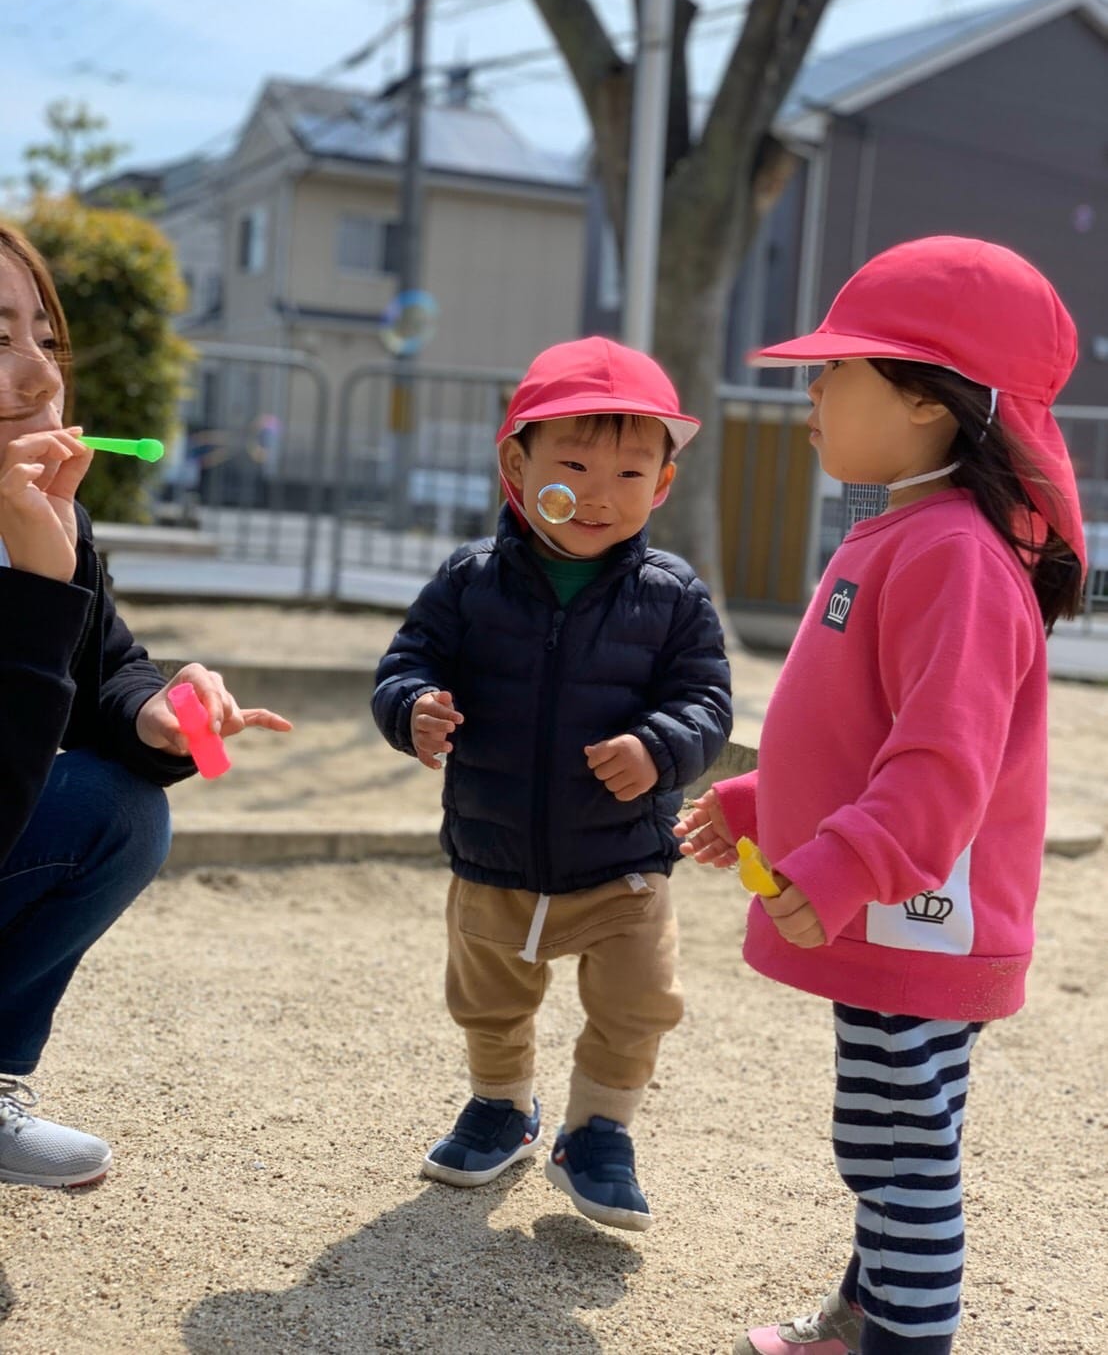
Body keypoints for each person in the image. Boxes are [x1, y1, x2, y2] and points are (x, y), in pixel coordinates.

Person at [677, 236, 1086, 1355]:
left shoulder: (951, 549)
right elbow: (866, 732)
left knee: (900, 1149)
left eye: (836, 369)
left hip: (917, 910)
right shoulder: (916, 528)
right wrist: (765, 800)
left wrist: (847, 862)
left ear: (927, 400)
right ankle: (862, 1323)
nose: (810, 390)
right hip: (910, 904)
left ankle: (899, 1343)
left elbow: (941, 761)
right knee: (898, 1134)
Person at [373, 337, 732, 1231]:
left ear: (662, 487)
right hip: (494, 843)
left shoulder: (673, 593)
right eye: (573, 462)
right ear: (515, 464)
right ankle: (502, 1103)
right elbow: (405, 662)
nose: (599, 491)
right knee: (488, 995)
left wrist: (659, 745)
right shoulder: (468, 580)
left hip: (625, 855)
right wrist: (412, 705)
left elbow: (708, 701)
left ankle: (599, 1131)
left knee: (640, 997)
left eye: (630, 469)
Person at [0, 222, 292, 1189]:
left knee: (122, 809)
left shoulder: (46, 511)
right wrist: (40, 589)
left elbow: (101, 666)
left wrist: (157, 709)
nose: (42, 377)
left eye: (45, 338)